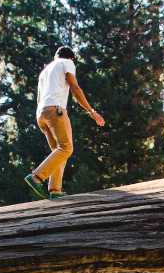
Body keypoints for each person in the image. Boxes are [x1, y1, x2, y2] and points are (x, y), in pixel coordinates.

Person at [25, 46, 105, 200]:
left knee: (58, 150)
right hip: (56, 110)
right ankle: (36, 177)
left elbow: (39, 98)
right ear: (71, 59)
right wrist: (91, 111)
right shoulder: (66, 63)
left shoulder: (45, 72)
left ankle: (55, 190)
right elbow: (74, 87)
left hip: (41, 113)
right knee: (66, 148)